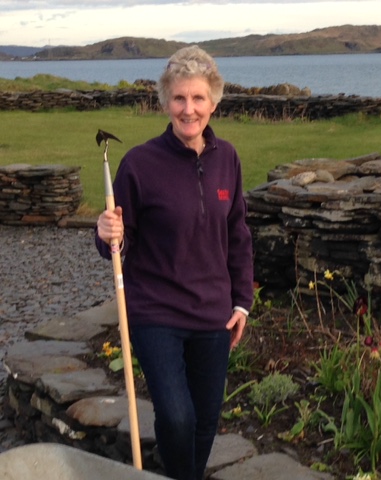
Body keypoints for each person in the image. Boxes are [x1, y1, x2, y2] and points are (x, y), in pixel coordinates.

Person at [95, 45, 254, 480]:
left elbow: (238, 234)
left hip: (213, 313)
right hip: (155, 312)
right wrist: (106, 233)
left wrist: (242, 302)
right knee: (178, 417)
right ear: (165, 102)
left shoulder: (228, 159)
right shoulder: (140, 165)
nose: (189, 109)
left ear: (214, 102)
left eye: (198, 98)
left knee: (205, 421)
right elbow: (116, 241)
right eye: (180, 98)